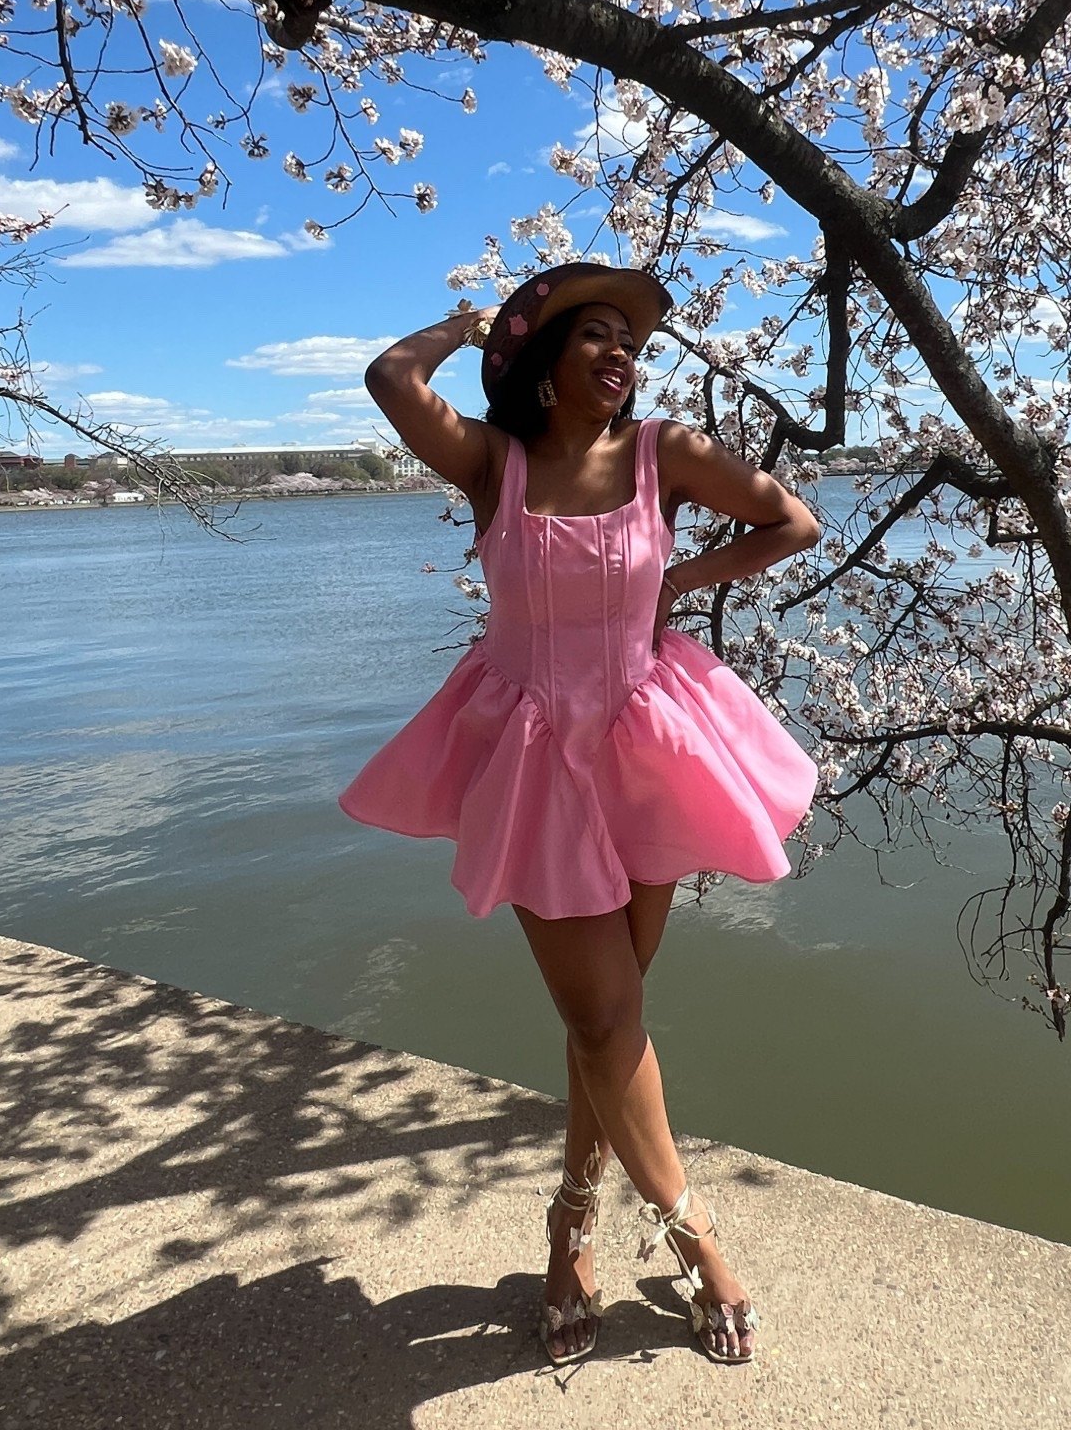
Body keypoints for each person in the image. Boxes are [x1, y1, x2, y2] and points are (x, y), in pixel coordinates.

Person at [339, 261, 821, 1370]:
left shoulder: (669, 452)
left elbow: (792, 521)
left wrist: (676, 581)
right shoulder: (494, 464)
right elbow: (388, 374)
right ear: (543, 363)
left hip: (645, 747)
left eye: (629, 340)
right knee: (605, 1019)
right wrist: (463, 327)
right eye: (594, 336)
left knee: (612, 1018)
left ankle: (572, 1219)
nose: (621, 352)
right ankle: (695, 1236)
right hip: (535, 760)